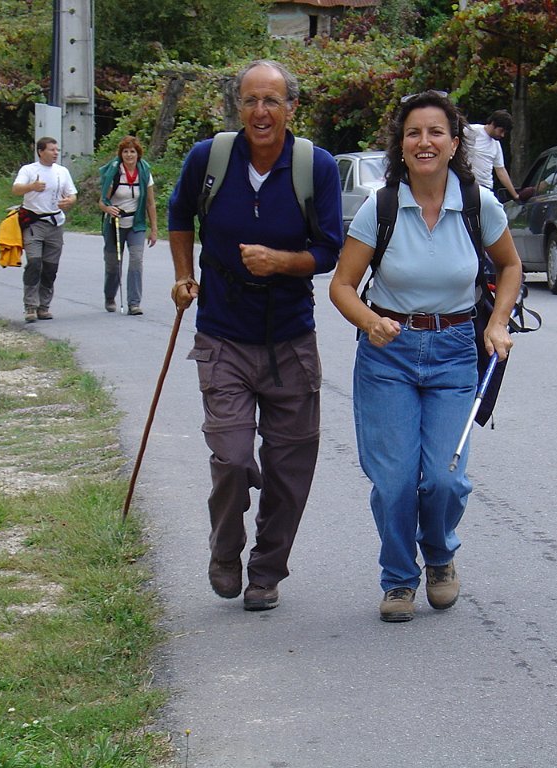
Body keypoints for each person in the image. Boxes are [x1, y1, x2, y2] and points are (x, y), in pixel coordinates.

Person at [329, 90, 523, 623]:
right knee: (394, 481)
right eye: (414, 132)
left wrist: (498, 323)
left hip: (456, 350)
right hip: (387, 353)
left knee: (444, 477)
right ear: (401, 144)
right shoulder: (381, 206)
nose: (425, 142)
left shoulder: (478, 204)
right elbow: (342, 285)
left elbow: (510, 266)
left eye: (436, 132)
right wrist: (370, 322)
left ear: (455, 143)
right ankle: (398, 578)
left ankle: (439, 556)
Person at [167, 60, 342, 612]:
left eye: (272, 100)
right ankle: (225, 550)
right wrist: (183, 274)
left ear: (291, 106)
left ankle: (266, 572)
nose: (260, 112)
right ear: (237, 106)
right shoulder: (210, 158)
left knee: (290, 470)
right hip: (222, 335)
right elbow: (179, 214)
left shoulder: (316, 166)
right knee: (232, 457)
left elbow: (329, 250)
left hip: (291, 339)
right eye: (250, 100)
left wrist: (281, 262)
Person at [11, 137, 78, 323]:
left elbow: (72, 193)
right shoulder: (29, 170)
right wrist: (31, 187)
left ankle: (44, 306)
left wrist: (69, 201)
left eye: (57, 149)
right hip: (34, 222)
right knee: (34, 263)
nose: (56, 153)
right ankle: (30, 306)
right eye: (51, 149)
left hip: (55, 223)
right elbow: (16, 189)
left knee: (50, 267)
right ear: (41, 152)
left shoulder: (62, 171)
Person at [98, 135, 158, 315]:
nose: (129, 155)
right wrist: (109, 209)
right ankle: (110, 296)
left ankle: (134, 303)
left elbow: (150, 203)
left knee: (136, 261)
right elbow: (102, 202)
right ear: (121, 154)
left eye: (132, 151)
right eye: (125, 151)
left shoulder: (144, 173)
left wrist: (154, 229)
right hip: (115, 224)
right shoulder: (114, 173)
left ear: (138, 154)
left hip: (136, 224)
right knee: (113, 265)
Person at [466, 110, 520, 202]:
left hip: (486, 188)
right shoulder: (472, 131)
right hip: (467, 186)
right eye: (501, 131)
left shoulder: (496, 144)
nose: (502, 135)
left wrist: (515, 195)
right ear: (493, 123)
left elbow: (501, 171)